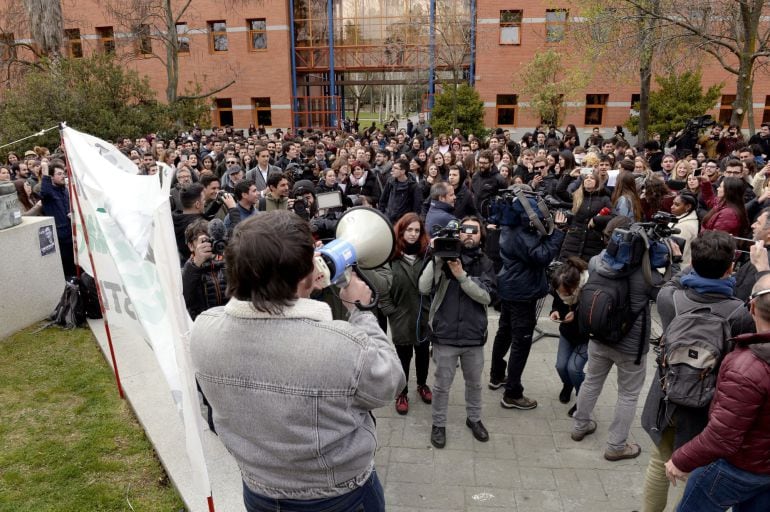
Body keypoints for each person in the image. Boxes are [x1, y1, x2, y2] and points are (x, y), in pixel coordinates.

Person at [191, 212, 405, 512]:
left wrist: (297, 289)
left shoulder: (202, 329)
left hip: (258, 489)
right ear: (305, 275)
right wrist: (361, 310)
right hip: (339, 496)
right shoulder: (340, 344)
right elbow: (390, 381)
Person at [640, 231, 753, 512]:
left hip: (667, 394)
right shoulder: (738, 312)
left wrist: (688, 265)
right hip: (706, 401)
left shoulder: (671, 300)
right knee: (696, 466)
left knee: (659, 460)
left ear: (694, 263)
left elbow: (674, 281)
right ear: (730, 268)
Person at [664, 268, 770, 511]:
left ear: (751, 308)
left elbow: (723, 436)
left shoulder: (746, 367)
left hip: (737, 469)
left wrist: (681, 460)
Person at [569, 225, 666, 461]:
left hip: (599, 337)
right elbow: (666, 293)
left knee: (591, 381)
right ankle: (615, 446)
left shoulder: (597, 263)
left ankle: (579, 426)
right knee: (628, 395)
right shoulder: (647, 276)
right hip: (630, 346)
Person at [418, 216, 496, 448]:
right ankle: (438, 424)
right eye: (465, 230)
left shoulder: (485, 263)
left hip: (473, 336)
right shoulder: (442, 257)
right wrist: (436, 260)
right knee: (442, 385)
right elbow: (423, 287)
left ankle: (474, 419)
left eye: (474, 230)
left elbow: (486, 296)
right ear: (457, 234)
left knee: (474, 383)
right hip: (445, 335)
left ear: (481, 235)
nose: (469, 234)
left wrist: (461, 275)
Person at [489, 208, 567, 409]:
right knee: (521, 342)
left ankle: (497, 375)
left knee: (504, 331)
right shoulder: (523, 233)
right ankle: (513, 393)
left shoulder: (509, 226)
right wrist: (557, 233)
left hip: (510, 286)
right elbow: (542, 256)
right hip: (523, 292)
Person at [379, 213, 432, 415]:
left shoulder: (426, 255)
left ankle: (422, 384)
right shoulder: (390, 256)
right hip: (400, 314)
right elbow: (382, 287)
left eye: (417, 230)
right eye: (409, 230)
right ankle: (402, 392)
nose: (413, 234)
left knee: (422, 352)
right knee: (403, 355)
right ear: (401, 231)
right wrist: (389, 310)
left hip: (423, 313)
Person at [549, 257, 590, 418]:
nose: (561, 295)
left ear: (575, 287)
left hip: (585, 337)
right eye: (559, 292)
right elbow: (557, 301)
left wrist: (578, 315)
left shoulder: (588, 289)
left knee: (574, 369)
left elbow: (595, 315)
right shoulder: (561, 284)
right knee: (561, 366)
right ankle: (568, 385)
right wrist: (554, 311)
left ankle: (583, 399)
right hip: (567, 332)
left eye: (565, 293)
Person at [181, 219, 228, 320]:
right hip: (202, 325)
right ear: (191, 246)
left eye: (212, 240)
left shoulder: (225, 264)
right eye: (205, 241)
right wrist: (196, 263)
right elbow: (183, 299)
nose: (210, 244)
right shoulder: (188, 271)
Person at [40, 159, 75, 277]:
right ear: (51, 177)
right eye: (59, 174)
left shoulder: (64, 190)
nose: (62, 176)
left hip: (72, 235)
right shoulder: (49, 193)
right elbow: (44, 191)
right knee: (68, 269)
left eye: (63, 173)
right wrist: (45, 169)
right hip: (61, 238)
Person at [670, 192, 700, 268]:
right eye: (673, 203)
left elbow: (677, 254)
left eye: (676, 205)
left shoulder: (685, 226)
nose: (672, 207)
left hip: (677, 268)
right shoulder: (681, 218)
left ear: (688, 207)